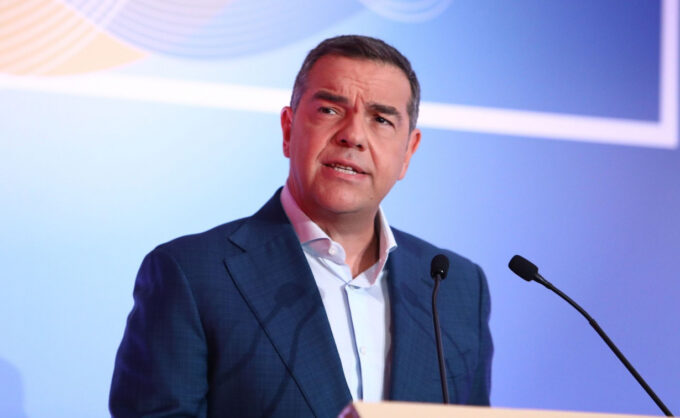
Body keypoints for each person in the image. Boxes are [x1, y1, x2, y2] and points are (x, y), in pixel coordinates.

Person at [110, 35, 492, 417]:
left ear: (408, 151)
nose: (353, 135)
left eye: (381, 119)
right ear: (288, 130)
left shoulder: (456, 288)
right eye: (329, 110)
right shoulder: (192, 275)